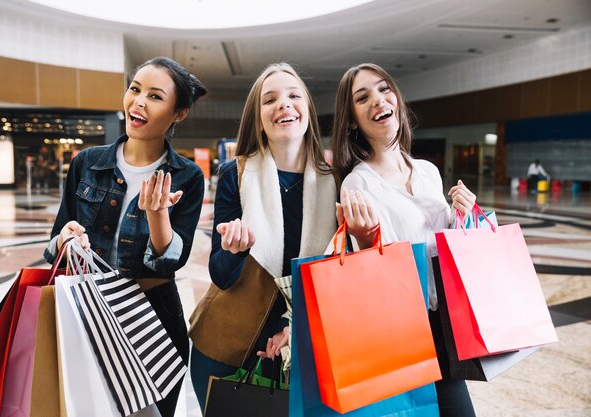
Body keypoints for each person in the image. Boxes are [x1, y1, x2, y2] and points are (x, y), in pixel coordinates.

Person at [43, 56, 207, 417]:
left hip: (152, 318)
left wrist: (157, 214)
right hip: (88, 313)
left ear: (178, 113)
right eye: (135, 90)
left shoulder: (187, 176)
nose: (138, 102)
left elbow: (170, 261)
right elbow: (54, 243)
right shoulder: (88, 162)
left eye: (154, 96)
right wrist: (65, 241)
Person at [188, 63, 339, 414]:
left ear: (308, 111)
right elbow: (221, 275)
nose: (283, 104)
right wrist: (234, 251)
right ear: (258, 119)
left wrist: (291, 326)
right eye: (270, 100)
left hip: (301, 346)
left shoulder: (337, 180)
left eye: (293, 95)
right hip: (224, 346)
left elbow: (335, 275)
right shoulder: (235, 174)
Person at [331, 63, 477, 417]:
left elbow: (443, 248)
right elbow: (366, 271)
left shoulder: (427, 171)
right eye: (362, 98)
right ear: (351, 121)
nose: (378, 100)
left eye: (384, 89)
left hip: (446, 322)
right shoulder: (358, 184)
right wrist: (365, 241)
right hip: (403, 329)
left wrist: (465, 216)